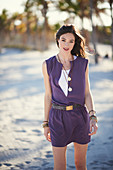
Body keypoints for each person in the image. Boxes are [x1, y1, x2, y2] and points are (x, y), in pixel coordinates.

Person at [42, 24, 98, 170]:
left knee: (81, 165)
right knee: (60, 166)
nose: (67, 44)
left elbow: (87, 92)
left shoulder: (83, 63)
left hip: (80, 117)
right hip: (57, 118)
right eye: (63, 40)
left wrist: (92, 117)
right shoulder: (47, 64)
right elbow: (48, 96)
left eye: (71, 41)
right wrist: (45, 123)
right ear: (57, 41)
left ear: (75, 43)